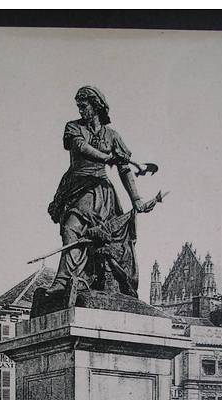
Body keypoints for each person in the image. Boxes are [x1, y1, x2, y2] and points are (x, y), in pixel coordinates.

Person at [47, 86, 148, 297]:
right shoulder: (73, 127)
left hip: (101, 192)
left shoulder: (112, 136)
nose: (81, 111)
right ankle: (64, 280)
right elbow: (81, 147)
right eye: (79, 107)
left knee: (96, 238)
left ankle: (83, 281)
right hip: (76, 187)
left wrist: (136, 199)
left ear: (96, 106)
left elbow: (124, 169)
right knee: (71, 228)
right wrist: (107, 157)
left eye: (84, 106)